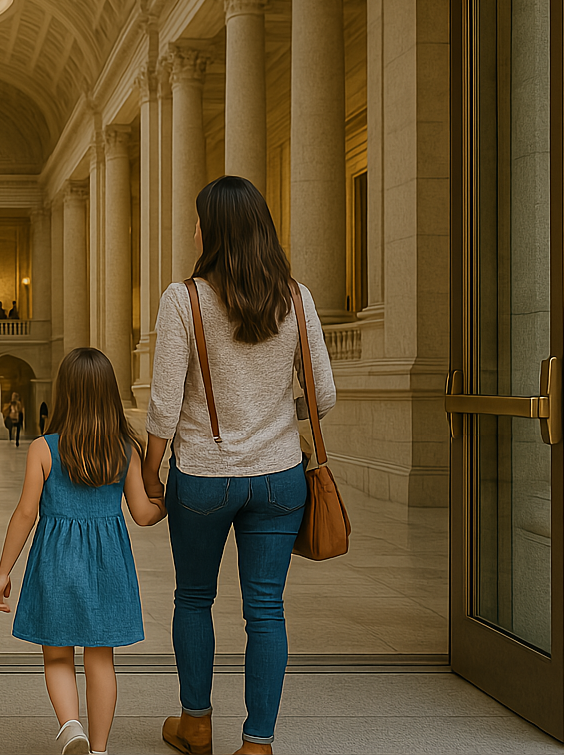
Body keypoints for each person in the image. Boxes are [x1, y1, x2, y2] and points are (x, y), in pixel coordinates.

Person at [143, 176, 336, 755]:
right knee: (266, 610)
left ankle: (196, 723)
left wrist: (152, 474)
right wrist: (277, 411)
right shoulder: (296, 298)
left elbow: (164, 404)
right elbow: (323, 396)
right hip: (279, 478)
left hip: (203, 474)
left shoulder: (184, 299)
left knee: (194, 598)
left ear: (217, 230)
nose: (194, 229)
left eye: (199, 220)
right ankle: (257, 743)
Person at [0, 348, 166, 755]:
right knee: (100, 659)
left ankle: (72, 728)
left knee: (56, 657)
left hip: (55, 561)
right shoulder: (125, 449)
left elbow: (24, 514)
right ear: (109, 394)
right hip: (108, 564)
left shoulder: (43, 448)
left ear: (64, 393)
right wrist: (167, 501)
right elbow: (142, 514)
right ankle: (100, 750)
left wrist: (4, 572)